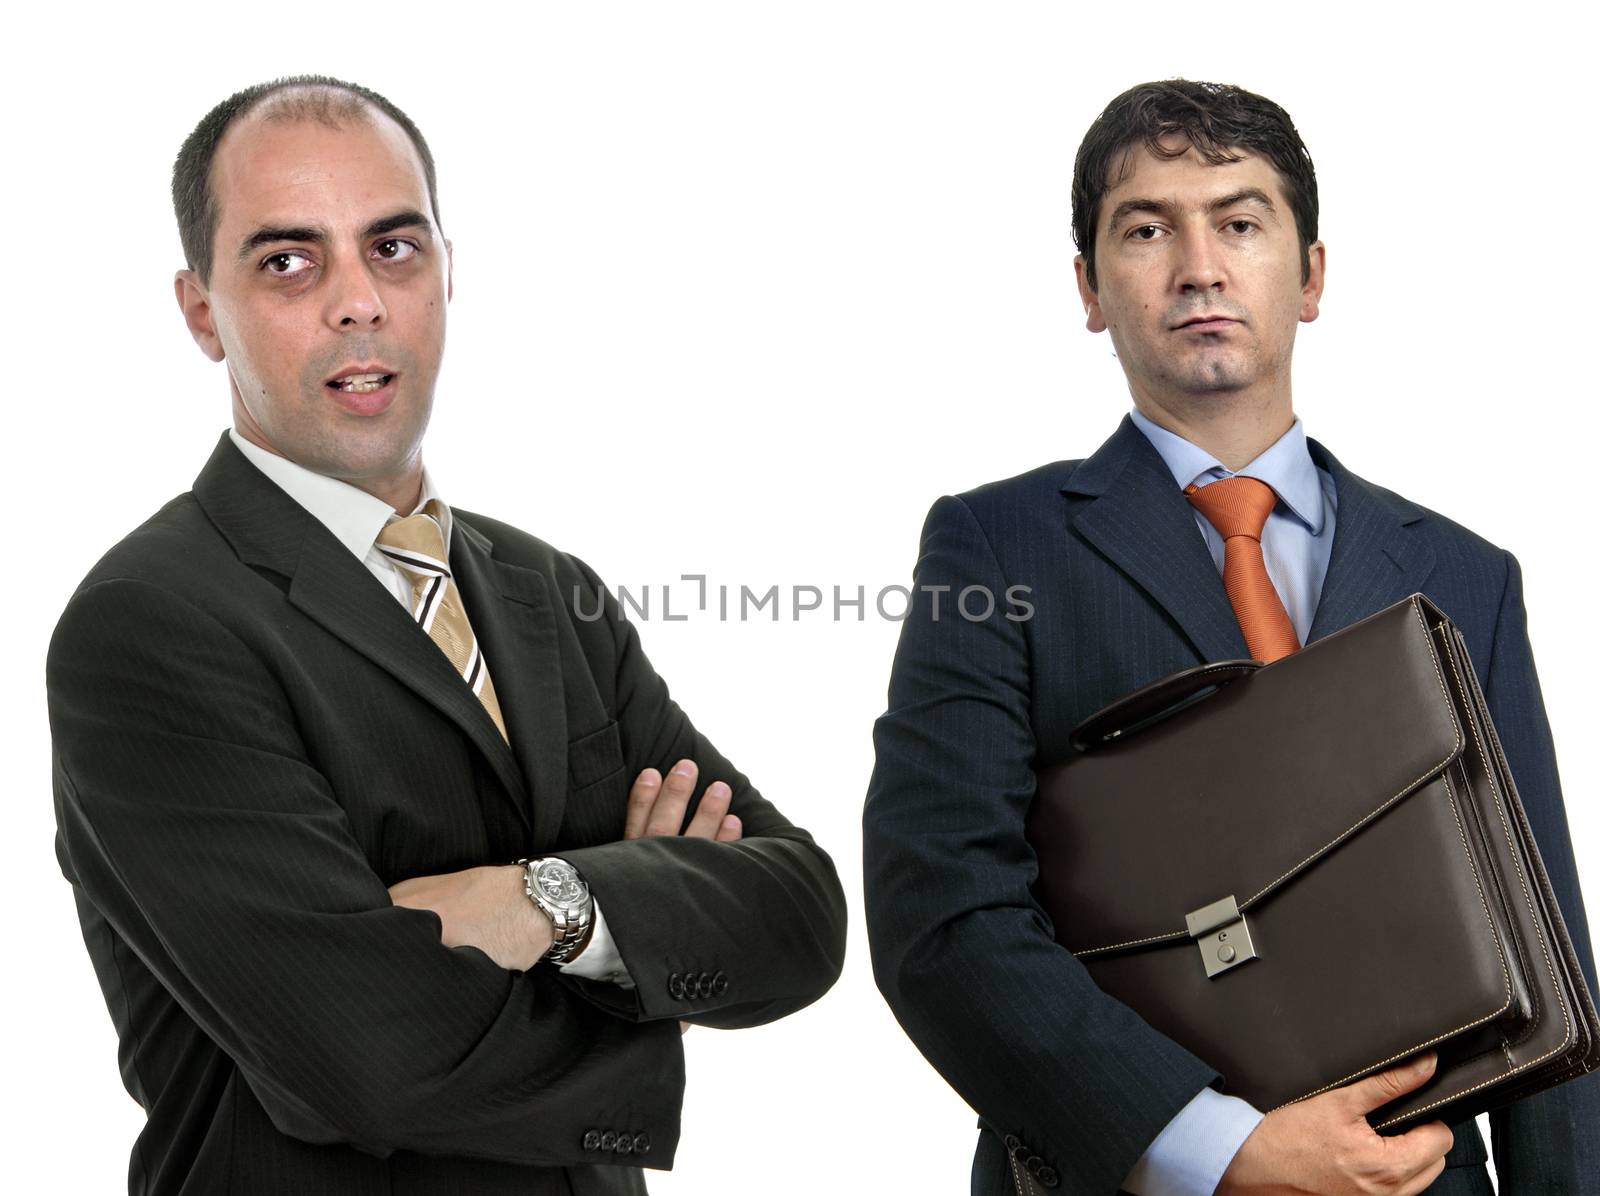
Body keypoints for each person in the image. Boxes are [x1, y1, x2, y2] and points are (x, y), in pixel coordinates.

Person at [47, 74, 847, 1196]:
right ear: (199, 310)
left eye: (393, 247)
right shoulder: (151, 625)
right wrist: (644, 925)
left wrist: (542, 904)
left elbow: (800, 914)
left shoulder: (544, 588)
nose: (357, 302)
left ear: (447, 271)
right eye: (288, 260)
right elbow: (362, 1055)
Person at [862, 79, 1599, 1196]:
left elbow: (1539, 941)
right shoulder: (994, 547)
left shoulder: (1462, 574)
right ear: (1089, 288)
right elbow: (943, 916)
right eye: (1147, 228)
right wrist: (1214, 1146)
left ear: (1309, 276)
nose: (1199, 265)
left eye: (1240, 222)